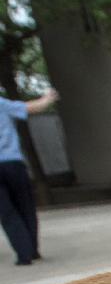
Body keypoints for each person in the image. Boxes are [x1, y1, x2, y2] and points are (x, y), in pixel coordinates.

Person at [0, 88, 58, 266]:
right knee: (25, 206)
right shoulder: (2, 104)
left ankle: (23, 255)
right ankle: (32, 250)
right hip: (12, 163)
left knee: (7, 213)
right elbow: (33, 107)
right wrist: (48, 97)